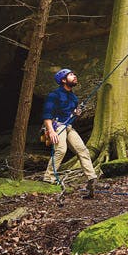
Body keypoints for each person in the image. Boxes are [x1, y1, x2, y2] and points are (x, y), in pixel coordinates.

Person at [42, 68, 97, 197]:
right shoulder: (53, 95)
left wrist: (76, 113)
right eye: (71, 75)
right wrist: (51, 131)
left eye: (74, 74)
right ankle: (49, 177)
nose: (75, 76)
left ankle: (91, 178)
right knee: (61, 150)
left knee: (83, 150)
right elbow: (47, 115)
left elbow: (71, 115)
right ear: (63, 80)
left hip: (68, 126)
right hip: (57, 126)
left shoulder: (73, 97)